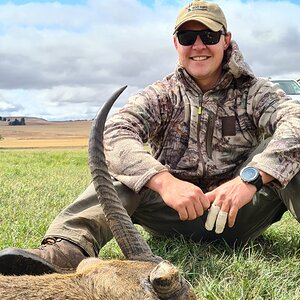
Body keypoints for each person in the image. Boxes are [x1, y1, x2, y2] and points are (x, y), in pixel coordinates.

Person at [0, 0, 300, 276]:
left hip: (242, 214)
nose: (198, 46)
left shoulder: (256, 92)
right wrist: (162, 181)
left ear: (226, 40)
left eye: (209, 36)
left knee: (291, 158)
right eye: (187, 38)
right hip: (171, 217)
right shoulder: (161, 94)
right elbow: (115, 132)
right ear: (175, 43)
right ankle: (66, 249)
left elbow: (295, 121)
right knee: (122, 174)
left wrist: (250, 179)